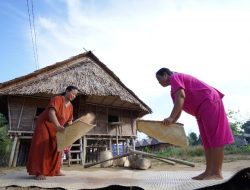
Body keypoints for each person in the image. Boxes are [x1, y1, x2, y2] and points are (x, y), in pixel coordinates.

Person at [156, 68, 234, 180]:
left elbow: (181, 97)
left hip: (209, 101)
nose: (159, 83)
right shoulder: (174, 88)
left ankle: (216, 173)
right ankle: (208, 171)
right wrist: (172, 121)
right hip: (200, 110)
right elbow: (179, 107)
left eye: (159, 80)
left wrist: (171, 117)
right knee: (207, 140)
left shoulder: (175, 77)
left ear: (165, 75)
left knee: (214, 137)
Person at [26, 85, 79, 180]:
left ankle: (56, 170)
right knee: (43, 146)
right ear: (67, 91)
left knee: (57, 147)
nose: (74, 96)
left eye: (75, 95)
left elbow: (70, 121)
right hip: (45, 124)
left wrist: (71, 134)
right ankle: (39, 172)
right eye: (73, 93)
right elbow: (51, 113)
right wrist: (58, 126)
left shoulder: (71, 106)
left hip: (57, 128)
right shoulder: (57, 99)